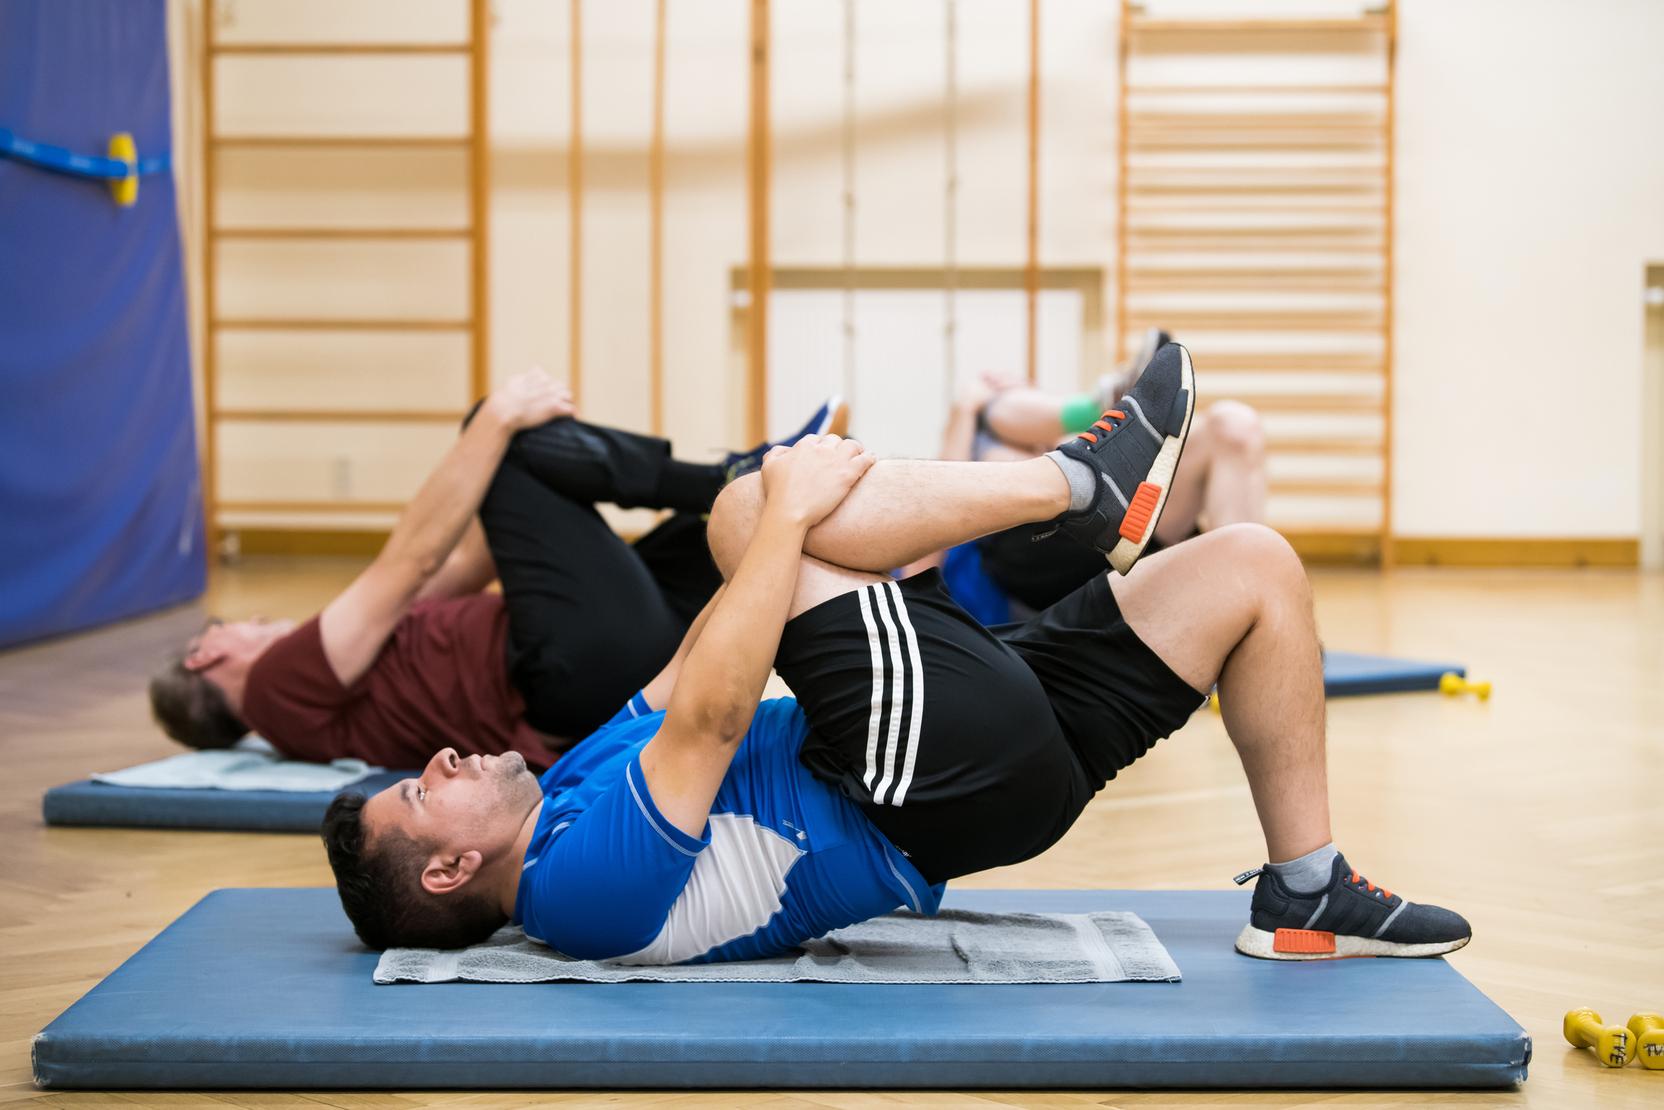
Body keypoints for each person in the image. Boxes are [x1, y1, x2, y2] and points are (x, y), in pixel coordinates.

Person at [323, 342, 1471, 965]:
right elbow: (716, 716)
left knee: (1251, 567)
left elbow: (688, 670)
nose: (442, 760)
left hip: (964, 749)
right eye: (421, 794)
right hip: (910, 785)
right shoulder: (576, 892)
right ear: (444, 873)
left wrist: (784, 504)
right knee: (743, 518)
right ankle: (1076, 489)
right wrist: (776, 514)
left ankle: (1303, 888)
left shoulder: (567, 788)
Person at [147, 367, 848, 771]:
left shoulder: (326, 681)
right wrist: (492, 426)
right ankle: (734, 471)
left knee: (737, 515)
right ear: (209, 654)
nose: (256, 622)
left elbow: (448, 570)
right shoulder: (274, 688)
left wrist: (535, 472)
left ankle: (765, 482)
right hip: (574, 673)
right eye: (238, 625)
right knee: (502, 433)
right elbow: (409, 559)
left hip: (606, 650)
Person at [927, 328, 1268, 621]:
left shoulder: (1025, 443)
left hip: (1110, 524)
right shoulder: (974, 453)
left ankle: (1252, 620)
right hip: (1029, 556)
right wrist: (966, 408)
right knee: (996, 426)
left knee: (1234, 425)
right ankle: (1100, 405)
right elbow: (935, 520)